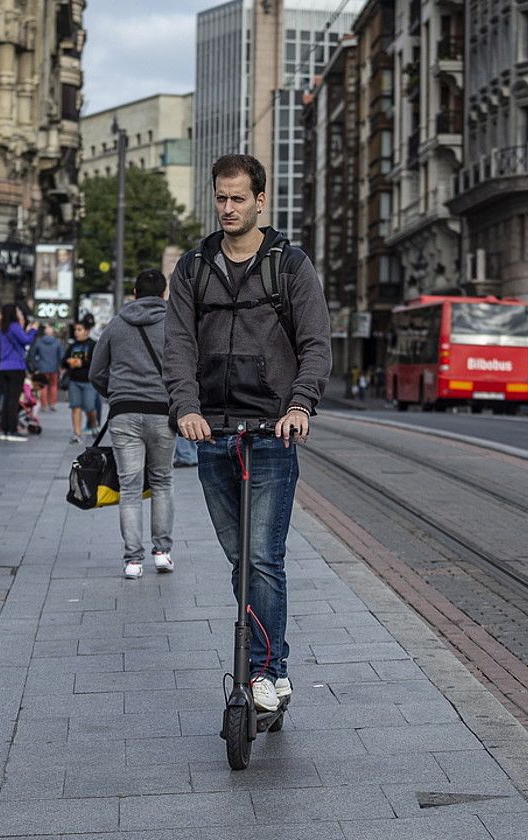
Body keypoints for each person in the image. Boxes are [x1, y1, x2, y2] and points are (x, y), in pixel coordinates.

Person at [165, 153, 331, 714]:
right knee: (240, 560)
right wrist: (186, 407)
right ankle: (272, 663)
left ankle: (264, 670)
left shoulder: (290, 265)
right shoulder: (192, 267)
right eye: (221, 198)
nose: (228, 208)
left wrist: (300, 406)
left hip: (271, 432)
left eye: (239, 198)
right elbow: (179, 346)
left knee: (262, 557)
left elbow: (315, 344)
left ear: (261, 200)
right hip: (212, 431)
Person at [90, 268, 176, 580]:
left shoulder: (116, 324)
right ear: (164, 294)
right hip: (163, 412)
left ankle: (133, 561)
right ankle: (162, 552)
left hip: (124, 413)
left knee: (129, 488)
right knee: (162, 481)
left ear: (135, 294)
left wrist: (116, 395)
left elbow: (96, 372)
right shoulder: (174, 323)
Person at [0, 304, 37, 442]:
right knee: (14, 399)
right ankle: (12, 429)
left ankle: (5, 429)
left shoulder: (1, 328)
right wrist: (32, 331)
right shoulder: (14, 326)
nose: (19, 313)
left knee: (6, 399)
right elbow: (26, 340)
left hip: (3, 366)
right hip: (16, 366)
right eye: (18, 310)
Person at [64, 320, 99, 444]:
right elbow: (63, 361)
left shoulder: (93, 345)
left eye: (79, 329)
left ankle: (94, 424)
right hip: (74, 380)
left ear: (87, 331)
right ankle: (77, 434)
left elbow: (96, 362)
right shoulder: (72, 346)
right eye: (75, 330)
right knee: (75, 407)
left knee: (89, 406)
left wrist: (82, 363)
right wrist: (68, 361)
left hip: (88, 381)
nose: (76, 332)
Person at [28, 325, 64, 411]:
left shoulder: (39, 341)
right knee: (53, 385)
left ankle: (44, 405)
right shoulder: (57, 342)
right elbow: (61, 356)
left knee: (43, 386)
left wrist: (36, 365)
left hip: (42, 367)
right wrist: (60, 366)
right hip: (54, 368)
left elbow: (32, 354)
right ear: (52, 333)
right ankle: (52, 404)